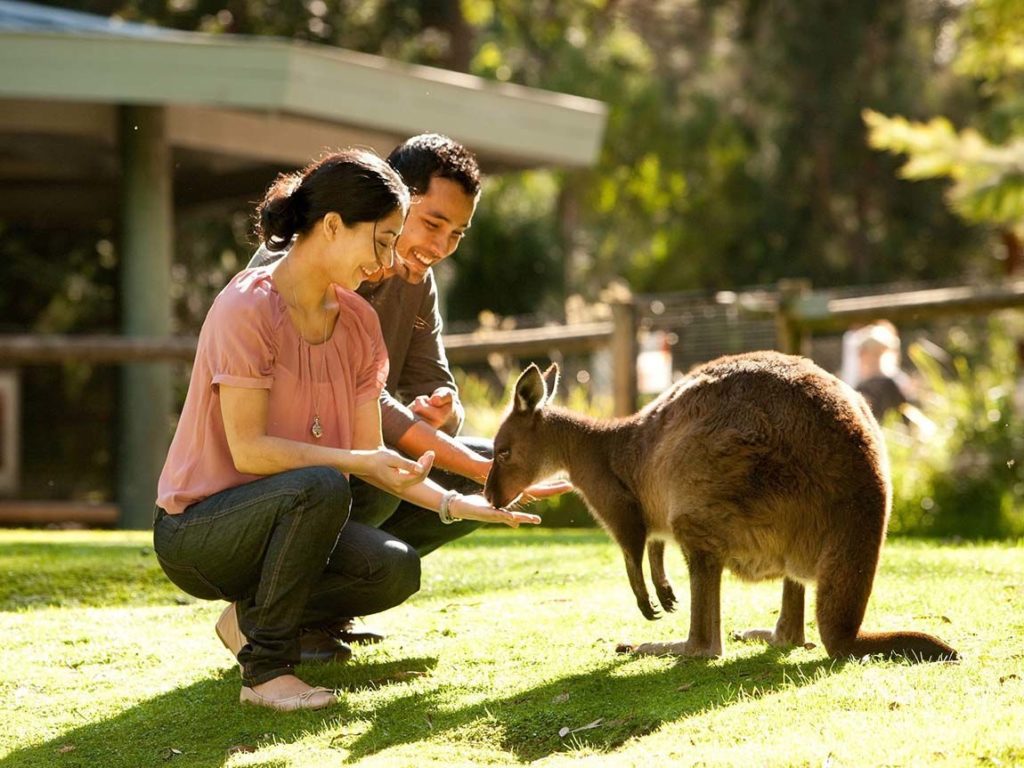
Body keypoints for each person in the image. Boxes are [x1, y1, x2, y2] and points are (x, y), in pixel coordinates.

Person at [154, 149, 541, 712]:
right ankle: (265, 673)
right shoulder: (247, 306)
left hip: (299, 499)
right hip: (201, 529)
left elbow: (374, 452)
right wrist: (358, 463)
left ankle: (261, 621)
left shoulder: (357, 321)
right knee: (325, 482)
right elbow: (251, 450)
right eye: (383, 241)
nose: (388, 261)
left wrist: (457, 504)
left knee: (393, 567)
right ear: (333, 227)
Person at [248, 135, 569, 586]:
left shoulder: (419, 281)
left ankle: (322, 602)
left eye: (456, 234)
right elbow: (362, 398)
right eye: (433, 224)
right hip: (281, 472)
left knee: (472, 471)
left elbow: (432, 382)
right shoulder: (309, 264)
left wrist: (443, 410)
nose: (441, 246)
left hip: (350, 455)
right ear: (395, 197)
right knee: (400, 471)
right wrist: (469, 462)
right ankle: (271, 600)